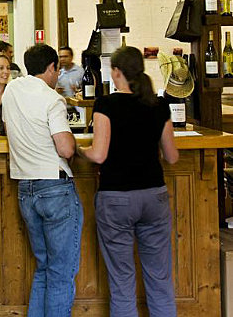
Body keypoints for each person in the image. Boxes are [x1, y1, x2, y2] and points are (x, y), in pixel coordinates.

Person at [77, 46, 178, 317]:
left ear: (116, 71)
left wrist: (79, 151)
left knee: (122, 281)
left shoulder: (107, 104)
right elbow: (172, 156)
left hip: (117, 197)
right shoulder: (159, 104)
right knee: (160, 278)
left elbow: (99, 154)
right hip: (154, 194)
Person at [1, 44, 83, 317]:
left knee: (45, 267)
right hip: (55, 188)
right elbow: (66, 149)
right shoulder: (52, 99)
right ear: (51, 68)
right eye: (57, 70)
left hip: (26, 187)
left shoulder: (11, 90)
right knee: (61, 273)